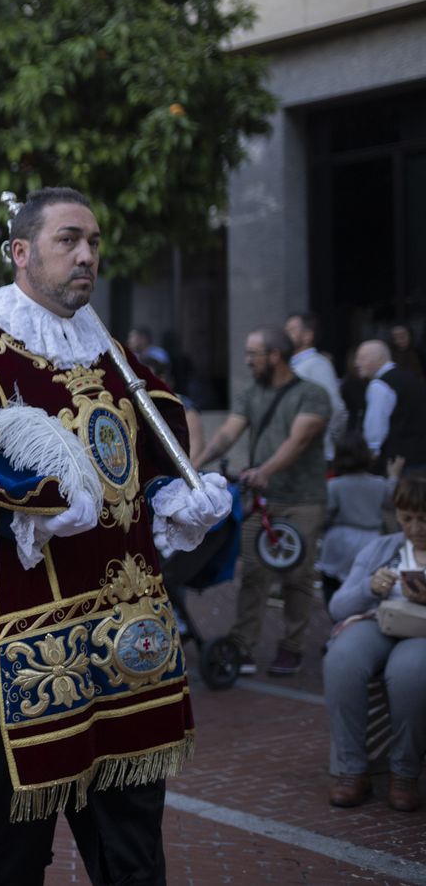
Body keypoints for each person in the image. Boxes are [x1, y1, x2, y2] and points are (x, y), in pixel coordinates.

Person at [0, 187, 228, 886]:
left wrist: (173, 492)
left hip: (128, 633)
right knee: (15, 845)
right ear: (20, 252)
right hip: (23, 643)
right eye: (69, 239)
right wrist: (27, 499)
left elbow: (153, 441)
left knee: (132, 839)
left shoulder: (110, 352)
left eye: (94, 242)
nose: (87, 255)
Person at [195, 327, 331, 676]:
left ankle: (292, 646)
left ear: (275, 356)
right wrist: (192, 466)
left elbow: (299, 441)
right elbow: (228, 433)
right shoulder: (251, 393)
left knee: (297, 577)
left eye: (253, 354)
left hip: (303, 499)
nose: (247, 360)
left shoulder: (312, 395)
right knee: (254, 573)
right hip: (262, 501)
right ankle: (243, 644)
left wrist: (266, 470)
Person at [324, 474, 426, 812]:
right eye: (407, 518)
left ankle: (404, 772)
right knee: (342, 660)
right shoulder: (382, 548)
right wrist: (370, 587)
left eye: (424, 519)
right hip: (380, 620)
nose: (415, 528)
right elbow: (337, 607)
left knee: (410, 672)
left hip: (422, 631)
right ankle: (352, 770)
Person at [320, 435, 397, 608]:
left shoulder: (335, 485)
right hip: (371, 539)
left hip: (340, 537)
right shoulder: (378, 483)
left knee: (332, 585)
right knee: (361, 586)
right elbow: (392, 502)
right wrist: (393, 477)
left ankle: (335, 618)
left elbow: (326, 515)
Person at [355, 339, 426, 474]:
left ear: (380, 358)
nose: (357, 363)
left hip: (395, 464)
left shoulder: (380, 385)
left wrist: (370, 458)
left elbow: (375, 429)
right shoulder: (412, 379)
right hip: (419, 459)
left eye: (362, 358)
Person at [285, 311, 347, 461]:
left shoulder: (318, 364)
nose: (285, 335)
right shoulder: (292, 365)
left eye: (291, 330)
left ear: (307, 336)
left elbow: (336, 408)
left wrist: (327, 439)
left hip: (316, 455)